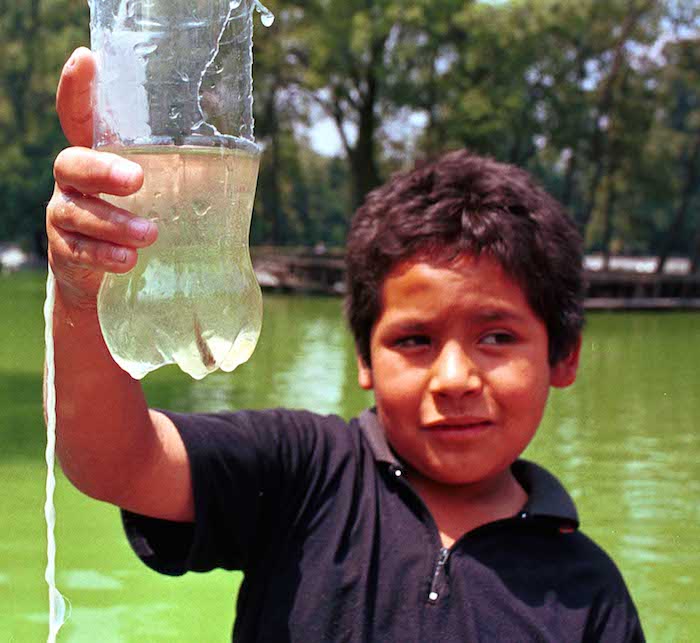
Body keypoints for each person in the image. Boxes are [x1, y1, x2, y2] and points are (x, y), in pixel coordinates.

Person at [47, 47, 645, 642]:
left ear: (562, 356)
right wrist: (84, 293)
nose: (455, 379)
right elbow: (117, 460)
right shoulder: (303, 471)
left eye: (497, 337)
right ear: (364, 358)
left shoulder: (587, 591)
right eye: (414, 339)